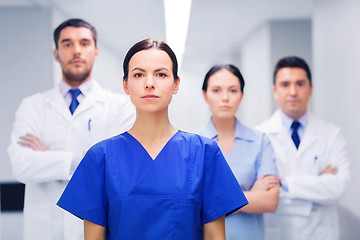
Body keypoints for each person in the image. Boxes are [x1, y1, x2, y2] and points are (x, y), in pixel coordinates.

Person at [57, 39, 248, 240]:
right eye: (139, 75)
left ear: (176, 84)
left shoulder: (205, 153)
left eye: (161, 74)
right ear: (126, 85)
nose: (149, 83)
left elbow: (215, 237)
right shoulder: (100, 157)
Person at [7, 19, 135, 240]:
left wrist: (46, 158)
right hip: (44, 231)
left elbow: (117, 169)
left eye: (84, 43)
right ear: (56, 53)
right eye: (67, 44)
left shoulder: (120, 107)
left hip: (98, 228)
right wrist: (83, 158)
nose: (76, 50)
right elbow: (21, 165)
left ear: (96, 51)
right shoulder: (33, 106)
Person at [256, 56, 350, 240]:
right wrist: (317, 187)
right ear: (275, 91)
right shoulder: (260, 135)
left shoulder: (332, 134)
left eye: (300, 84)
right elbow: (263, 195)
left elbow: (339, 187)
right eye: (285, 84)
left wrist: (284, 183)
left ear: (310, 89)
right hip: (277, 233)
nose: (293, 91)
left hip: (321, 233)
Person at [198, 64, 279, 240]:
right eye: (216, 90)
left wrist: (214, 196)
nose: (225, 98)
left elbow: (270, 201)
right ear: (205, 95)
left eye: (233, 91)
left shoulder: (260, 141)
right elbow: (194, 204)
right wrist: (249, 195)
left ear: (241, 95)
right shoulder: (195, 144)